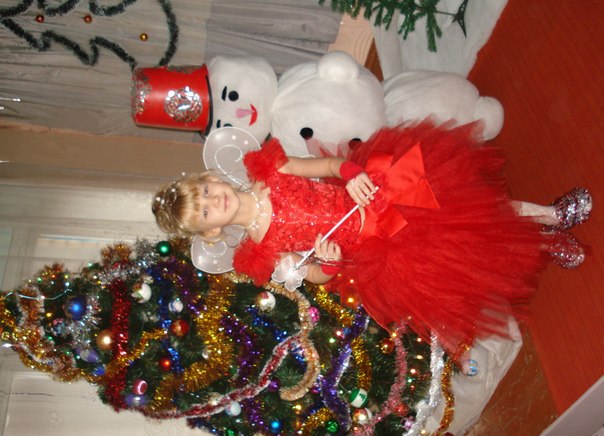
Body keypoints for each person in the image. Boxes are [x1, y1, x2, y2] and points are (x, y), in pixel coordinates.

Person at [152, 122, 592, 357]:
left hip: (382, 195)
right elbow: (316, 276)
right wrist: (329, 262)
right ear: (211, 230)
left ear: (212, 178)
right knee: (474, 253)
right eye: (205, 212)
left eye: (205, 191)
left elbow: (327, 167)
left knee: (478, 214)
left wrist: (352, 174)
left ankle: (551, 214)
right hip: (381, 250)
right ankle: (544, 244)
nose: (214, 201)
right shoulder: (262, 253)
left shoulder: (273, 171)